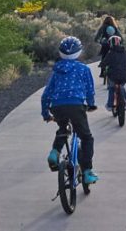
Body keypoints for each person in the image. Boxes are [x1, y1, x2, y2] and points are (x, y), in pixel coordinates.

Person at [41, 36, 99, 184]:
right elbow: (89, 90)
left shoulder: (56, 71)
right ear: (79, 52)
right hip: (75, 105)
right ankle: (87, 171)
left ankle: (55, 152)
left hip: (58, 106)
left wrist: (46, 113)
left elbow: (46, 94)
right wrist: (91, 104)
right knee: (86, 138)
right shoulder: (83, 69)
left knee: (63, 128)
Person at [97, 35, 126, 111]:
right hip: (125, 76)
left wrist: (101, 65)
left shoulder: (111, 53)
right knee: (121, 85)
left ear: (110, 44)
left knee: (111, 88)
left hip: (113, 76)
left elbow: (104, 62)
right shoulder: (125, 51)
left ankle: (110, 105)